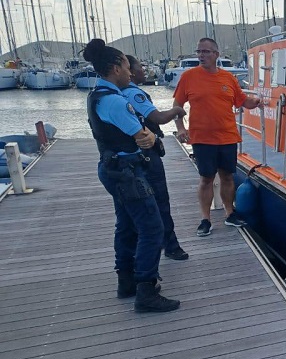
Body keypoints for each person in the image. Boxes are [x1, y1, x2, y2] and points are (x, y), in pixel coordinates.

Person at [83, 38, 181, 312]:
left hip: (113, 169)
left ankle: (125, 280)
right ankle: (146, 289)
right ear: (115, 68)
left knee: (126, 224)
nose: (130, 72)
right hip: (127, 172)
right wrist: (151, 136)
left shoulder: (96, 95)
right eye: (127, 67)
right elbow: (143, 137)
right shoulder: (115, 101)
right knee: (152, 228)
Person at [172, 37, 261, 237]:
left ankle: (230, 213)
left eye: (205, 52)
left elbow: (242, 101)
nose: (201, 55)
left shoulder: (228, 78)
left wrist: (256, 101)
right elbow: (177, 105)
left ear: (216, 54)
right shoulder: (189, 77)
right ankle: (205, 219)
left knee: (227, 176)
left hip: (227, 136)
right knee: (206, 178)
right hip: (202, 137)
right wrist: (180, 128)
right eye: (199, 51)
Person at [123, 55, 188, 261]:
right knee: (160, 200)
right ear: (130, 71)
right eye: (140, 67)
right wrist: (177, 110)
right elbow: (158, 118)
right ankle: (170, 245)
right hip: (146, 156)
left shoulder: (115, 94)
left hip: (129, 157)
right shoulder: (134, 94)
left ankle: (144, 246)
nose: (143, 70)